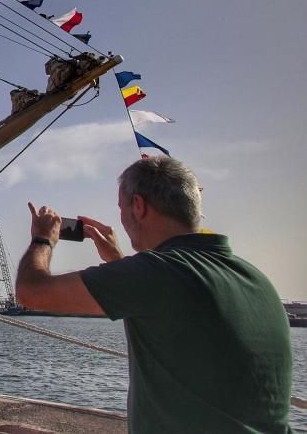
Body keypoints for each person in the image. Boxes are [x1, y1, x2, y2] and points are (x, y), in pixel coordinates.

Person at [15, 156, 292, 433]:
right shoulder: (256, 279)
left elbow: (30, 291)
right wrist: (117, 259)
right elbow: (162, 306)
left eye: (122, 207)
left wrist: (43, 238)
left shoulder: (156, 273)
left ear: (138, 205)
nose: (121, 218)